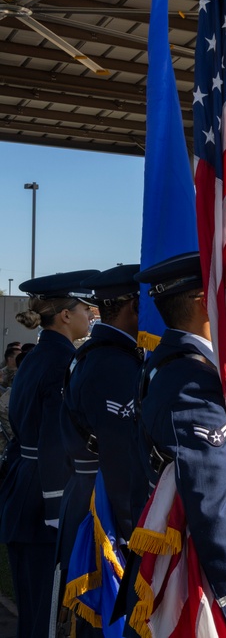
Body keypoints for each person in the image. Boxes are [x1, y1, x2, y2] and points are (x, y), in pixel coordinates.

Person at [128, 253, 226, 633]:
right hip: (200, 568)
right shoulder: (189, 380)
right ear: (201, 301)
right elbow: (210, 501)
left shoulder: (176, 362)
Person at [0, 269, 97, 638]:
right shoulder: (59, 362)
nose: (90, 315)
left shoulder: (41, 355)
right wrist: (59, 511)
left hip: (25, 488)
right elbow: (54, 442)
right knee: (45, 613)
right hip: (44, 499)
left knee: (34, 610)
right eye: (85, 308)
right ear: (65, 314)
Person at [54, 265, 142, 637]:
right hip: (105, 507)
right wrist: (137, 529)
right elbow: (122, 454)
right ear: (135, 308)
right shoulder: (113, 364)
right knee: (109, 618)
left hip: (91, 493)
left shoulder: (100, 354)